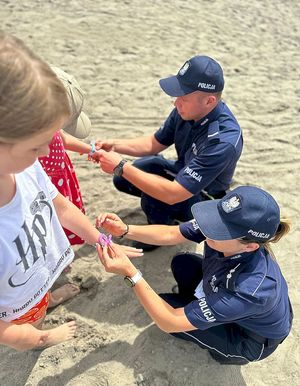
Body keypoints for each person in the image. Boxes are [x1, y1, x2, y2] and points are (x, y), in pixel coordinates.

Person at [0, 31, 142, 351]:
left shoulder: (26, 168)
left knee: (40, 289)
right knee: (27, 320)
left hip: (35, 269)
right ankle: (39, 318)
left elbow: (61, 207)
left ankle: (46, 298)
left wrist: (100, 240)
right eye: (38, 144)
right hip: (14, 307)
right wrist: (40, 337)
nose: (47, 152)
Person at [96, 185, 293, 365]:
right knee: (183, 263)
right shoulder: (227, 229)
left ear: (250, 246)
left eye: (219, 231)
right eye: (215, 220)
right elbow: (172, 234)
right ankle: (202, 310)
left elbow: (169, 322)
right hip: (235, 299)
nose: (208, 228)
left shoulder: (251, 289)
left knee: (167, 309)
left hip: (248, 337)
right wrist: (125, 230)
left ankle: (227, 353)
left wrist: (130, 273)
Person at [96, 55, 243, 249]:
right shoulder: (189, 109)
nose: (176, 102)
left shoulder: (223, 140)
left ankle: (160, 230)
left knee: (153, 192)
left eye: (183, 97)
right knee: (128, 177)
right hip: (181, 171)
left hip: (203, 197)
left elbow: (173, 193)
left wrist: (121, 166)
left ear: (209, 101)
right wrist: (115, 145)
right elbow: (154, 143)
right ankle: (163, 214)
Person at [39, 67, 96, 246]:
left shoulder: (46, 126)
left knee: (65, 219)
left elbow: (62, 139)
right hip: (44, 186)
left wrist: (91, 150)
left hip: (61, 179)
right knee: (48, 223)